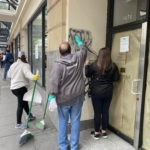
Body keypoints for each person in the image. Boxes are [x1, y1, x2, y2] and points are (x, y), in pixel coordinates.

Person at [48, 35, 87, 150]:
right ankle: (74, 147)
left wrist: (51, 97)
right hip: (78, 97)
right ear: (70, 50)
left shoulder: (58, 65)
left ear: (60, 52)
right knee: (75, 122)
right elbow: (83, 50)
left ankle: (63, 147)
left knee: (63, 123)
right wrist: (79, 42)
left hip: (63, 99)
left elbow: (53, 83)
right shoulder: (79, 58)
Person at [85, 47, 120, 139]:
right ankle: (104, 132)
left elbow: (87, 74)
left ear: (99, 55)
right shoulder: (113, 66)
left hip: (96, 92)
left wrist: (86, 65)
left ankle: (96, 133)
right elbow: (116, 78)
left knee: (97, 112)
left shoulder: (94, 65)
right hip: (108, 92)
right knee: (105, 112)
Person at [7, 51, 38, 129]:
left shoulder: (13, 65)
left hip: (13, 88)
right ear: (24, 57)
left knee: (24, 102)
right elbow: (28, 74)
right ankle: (18, 123)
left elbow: (9, 75)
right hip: (20, 88)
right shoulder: (25, 65)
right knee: (21, 105)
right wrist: (34, 77)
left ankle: (29, 116)